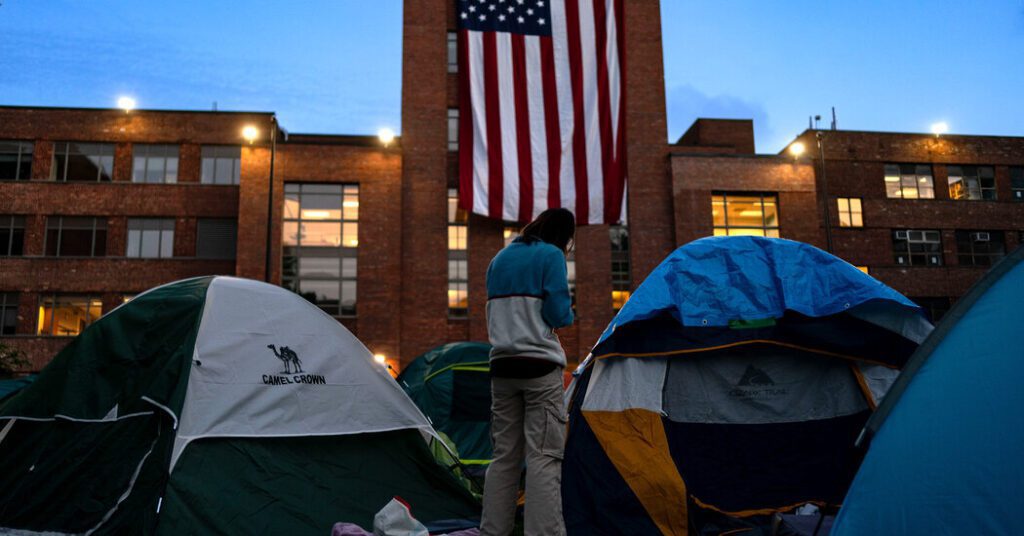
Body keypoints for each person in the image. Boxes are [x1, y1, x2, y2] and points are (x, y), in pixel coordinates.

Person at [480, 208, 575, 536]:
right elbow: (558, 313)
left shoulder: (499, 259)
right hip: (540, 367)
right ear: (562, 236)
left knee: (504, 457)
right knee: (544, 457)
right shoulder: (551, 256)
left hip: (502, 368)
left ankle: (493, 531)